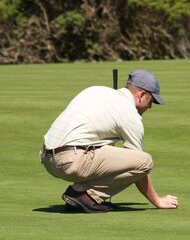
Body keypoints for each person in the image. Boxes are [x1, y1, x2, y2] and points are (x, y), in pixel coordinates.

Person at [40, 69, 179, 213]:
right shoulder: (130, 115)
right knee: (145, 161)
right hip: (72, 161)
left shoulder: (95, 90)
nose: (150, 107)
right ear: (142, 95)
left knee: (109, 151)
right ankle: (84, 196)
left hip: (48, 159)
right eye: (151, 101)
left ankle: (81, 193)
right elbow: (139, 166)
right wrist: (157, 201)